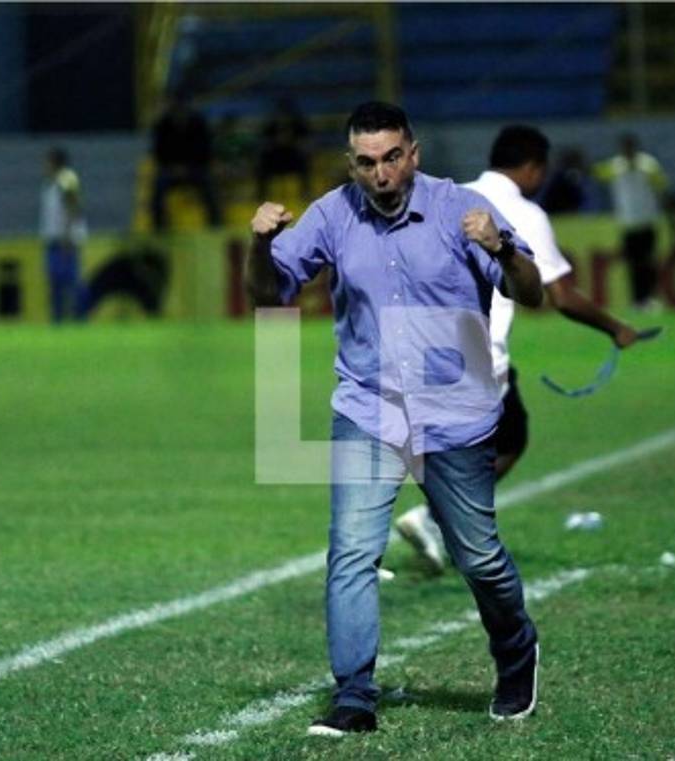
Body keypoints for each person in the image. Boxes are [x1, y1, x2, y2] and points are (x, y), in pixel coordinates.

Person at [245, 102, 545, 736]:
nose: (380, 173)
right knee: (351, 553)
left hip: (455, 413)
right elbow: (268, 297)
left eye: (391, 157)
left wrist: (505, 246)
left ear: (414, 153)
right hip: (368, 408)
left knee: (479, 558)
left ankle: (517, 653)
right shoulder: (331, 213)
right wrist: (259, 246)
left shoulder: (459, 209)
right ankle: (354, 695)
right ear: (350, 164)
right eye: (365, 162)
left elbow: (531, 291)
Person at [395, 125, 643, 571]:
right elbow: (561, 296)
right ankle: (434, 519)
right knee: (507, 438)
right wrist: (616, 328)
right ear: (532, 168)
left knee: (477, 437)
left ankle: (432, 521)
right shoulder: (523, 213)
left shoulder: (445, 196)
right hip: (476, 350)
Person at [595, 133, 670, 309]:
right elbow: (597, 174)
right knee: (633, 264)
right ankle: (638, 300)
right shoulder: (615, 166)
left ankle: (650, 297)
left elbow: (661, 188)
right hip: (627, 224)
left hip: (647, 221)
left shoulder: (648, 165)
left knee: (648, 263)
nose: (627, 150)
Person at [150, 94, 223, 231]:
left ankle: (216, 226)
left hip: (195, 168)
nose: (180, 112)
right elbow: (158, 151)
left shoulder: (198, 124)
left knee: (209, 187)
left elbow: (205, 149)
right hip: (170, 169)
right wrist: (173, 167)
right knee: (157, 189)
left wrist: (188, 167)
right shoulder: (162, 125)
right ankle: (159, 228)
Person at [40, 146, 87, 322]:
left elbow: (73, 208)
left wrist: (68, 236)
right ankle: (58, 319)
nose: (43, 166)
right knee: (56, 282)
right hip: (53, 239)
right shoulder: (50, 184)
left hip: (65, 240)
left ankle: (81, 317)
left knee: (71, 281)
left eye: (46, 162)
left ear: (54, 162)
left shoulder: (67, 180)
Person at [256, 96, 312, 201]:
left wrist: (294, 143)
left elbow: (307, 141)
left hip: (293, 158)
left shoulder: (298, 124)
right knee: (261, 165)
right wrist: (275, 142)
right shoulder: (271, 125)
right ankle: (261, 195)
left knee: (304, 162)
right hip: (275, 159)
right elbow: (264, 142)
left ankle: (305, 193)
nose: (284, 116)